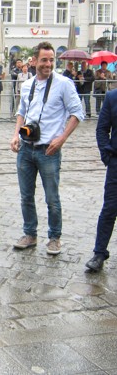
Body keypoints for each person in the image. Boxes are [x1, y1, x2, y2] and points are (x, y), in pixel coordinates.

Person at [11, 41, 84, 255]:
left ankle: (54, 237)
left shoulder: (63, 84)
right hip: (26, 148)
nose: (48, 64)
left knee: (52, 198)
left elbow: (77, 113)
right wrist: (16, 135)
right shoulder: (27, 85)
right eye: (44, 60)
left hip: (49, 151)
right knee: (26, 196)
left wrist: (61, 139)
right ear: (34, 61)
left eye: (51, 60)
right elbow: (21, 112)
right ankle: (30, 234)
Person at [86, 89, 117, 271]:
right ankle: (99, 253)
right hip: (116, 164)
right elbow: (102, 129)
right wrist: (107, 156)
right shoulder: (112, 97)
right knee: (109, 209)